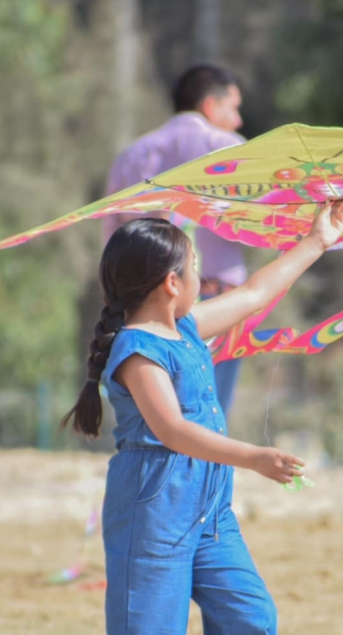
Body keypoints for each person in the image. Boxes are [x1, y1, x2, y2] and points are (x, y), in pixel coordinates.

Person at [63, 199, 343, 635]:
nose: (204, 277)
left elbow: (253, 293)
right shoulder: (138, 350)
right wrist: (253, 456)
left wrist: (315, 241)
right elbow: (171, 430)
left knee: (247, 611)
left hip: (207, 506)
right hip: (154, 506)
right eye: (196, 266)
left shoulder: (185, 328)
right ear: (173, 283)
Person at [102, 64, 248, 417]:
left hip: (143, 306)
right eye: (234, 107)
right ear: (211, 106)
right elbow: (261, 226)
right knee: (209, 412)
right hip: (216, 298)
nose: (239, 120)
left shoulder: (132, 155)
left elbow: (113, 236)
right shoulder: (233, 151)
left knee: (156, 416)